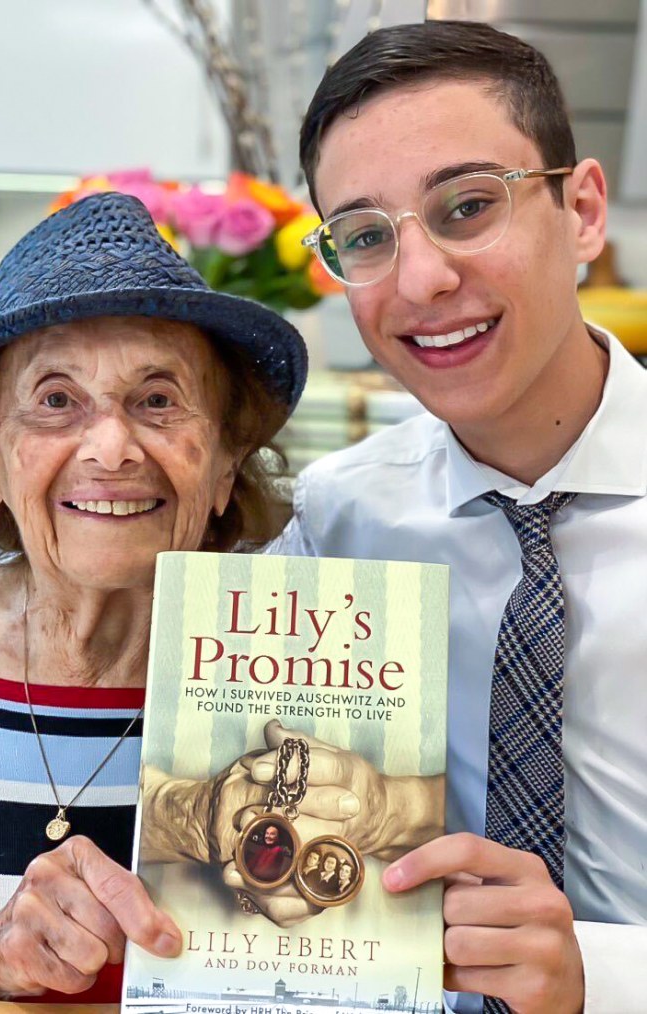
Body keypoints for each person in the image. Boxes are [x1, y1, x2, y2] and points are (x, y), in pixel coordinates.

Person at [269, 19, 646, 1014]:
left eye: (468, 207)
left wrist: (595, 979)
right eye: (364, 237)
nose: (422, 280)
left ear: (583, 211)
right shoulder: (332, 523)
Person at [0, 191, 331, 1004]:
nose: (111, 447)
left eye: (158, 400)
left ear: (228, 463)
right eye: (56, 401)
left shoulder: (308, 689)